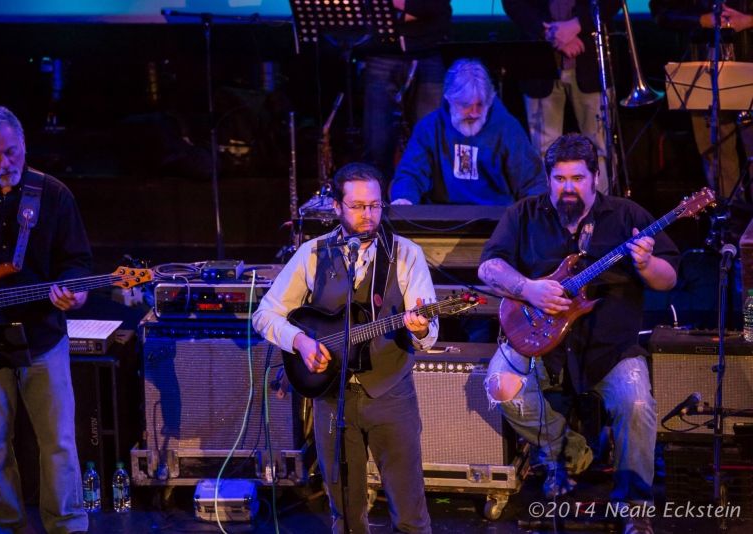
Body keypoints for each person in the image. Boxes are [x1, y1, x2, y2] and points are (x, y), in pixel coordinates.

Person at [477, 133, 679, 533]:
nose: (567, 187)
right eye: (559, 178)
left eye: (577, 178)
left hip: (610, 349)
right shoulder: (524, 214)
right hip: (540, 345)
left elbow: (669, 278)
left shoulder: (626, 216)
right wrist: (528, 289)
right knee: (499, 386)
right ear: (548, 178)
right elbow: (488, 268)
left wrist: (645, 263)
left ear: (596, 178)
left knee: (637, 404)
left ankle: (635, 510)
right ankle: (570, 448)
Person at [253, 162, 438, 533]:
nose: (368, 214)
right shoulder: (313, 253)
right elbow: (265, 314)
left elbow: (429, 331)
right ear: (337, 206)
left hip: (391, 394)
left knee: (410, 514)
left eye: (375, 205)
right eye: (357, 206)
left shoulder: (406, 254)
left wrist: (421, 328)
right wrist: (300, 341)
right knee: (346, 515)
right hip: (331, 398)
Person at [0, 106, 91, 533]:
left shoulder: (53, 194)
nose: (3, 163)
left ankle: (67, 525)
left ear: (24, 143)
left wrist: (74, 292)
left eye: (10, 152)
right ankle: (4, 526)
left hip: (42, 335)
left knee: (58, 442)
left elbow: (77, 263)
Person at [502, 0, 623, 195]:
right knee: (543, 150)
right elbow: (514, 3)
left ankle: (600, 208)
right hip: (539, 60)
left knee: (599, 148)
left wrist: (578, 24)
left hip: (591, 59)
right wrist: (549, 32)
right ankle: (547, 209)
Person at [390, 59, 548, 205]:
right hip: (442, 215)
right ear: (449, 99)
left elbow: (532, 181)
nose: (474, 113)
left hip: (496, 218)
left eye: (480, 105)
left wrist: (536, 214)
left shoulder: (508, 128)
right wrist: (404, 197)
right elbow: (411, 173)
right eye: (466, 105)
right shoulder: (429, 128)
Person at [650, 0, 753, 200]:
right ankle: (728, 213)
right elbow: (661, 12)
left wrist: (748, 21)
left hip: (748, 58)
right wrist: (701, 20)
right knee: (717, 156)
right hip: (702, 66)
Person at [362, 0, 452, 178]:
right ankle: (378, 193)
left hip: (428, 49)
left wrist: (403, 6)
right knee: (378, 142)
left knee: (432, 139)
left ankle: (429, 192)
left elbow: (439, 7)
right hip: (382, 50)